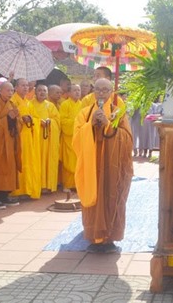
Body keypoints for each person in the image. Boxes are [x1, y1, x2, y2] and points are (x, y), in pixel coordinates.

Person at [73, 78, 133, 253]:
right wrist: (89, 127)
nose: (101, 93)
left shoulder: (118, 113)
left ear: (111, 92)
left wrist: (108, 125)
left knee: (112, 197)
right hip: (91, 166)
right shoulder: (84, 113)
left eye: (105, 90)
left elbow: (127, 141)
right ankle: (93, 237)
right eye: (98, 90)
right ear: (93, 92)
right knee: (93, 199)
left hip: (112, 167)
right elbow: (76, 140)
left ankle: (110, 238)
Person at [0, 82, 21, 209]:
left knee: (9, 168)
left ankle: (5, 196)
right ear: (0, 91)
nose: (10, 93)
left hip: (10, 142)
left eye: (12, 90)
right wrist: (7, 118)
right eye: (8, 90)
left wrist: (16, 119)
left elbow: (19, 124)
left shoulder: (12, 104)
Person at [10, 78, 40, 199]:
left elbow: (36, 118)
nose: (26, 87)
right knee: (18, 162)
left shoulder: (28, 103)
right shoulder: (12, 101)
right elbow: (9, 119)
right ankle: (17, 192)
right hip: (17, 137)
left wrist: (31, 120)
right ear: (16, 87)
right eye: (22, 85)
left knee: (28, 163)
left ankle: (27, 190)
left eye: (27, 85)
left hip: (28, 137)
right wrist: (21, 120)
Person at [32, 84, 61, 193]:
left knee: (48, 162)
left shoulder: (50, 106)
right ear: (35, 92)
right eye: (39, 90)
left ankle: (47, 186)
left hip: (48, 140)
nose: (42, 92)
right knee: (36, 162)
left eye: (44, 91)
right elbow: (28, 119)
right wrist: (38, 122)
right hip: (35, 139)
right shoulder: (30, 104)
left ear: (47, 93)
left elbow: (57, 121)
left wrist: (50, 122)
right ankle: (36, 186)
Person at [59, 84, 82, 191]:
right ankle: (67, 184)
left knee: (79, 161)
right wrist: (77, 122)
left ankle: (77, 184)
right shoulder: (65, 104)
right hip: (68, 137)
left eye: (79, 90)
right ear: (68, 93)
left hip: (80, 137)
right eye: (75, 90)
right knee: (68, 160)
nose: (77, 92)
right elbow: (62, 121)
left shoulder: (82, 105)